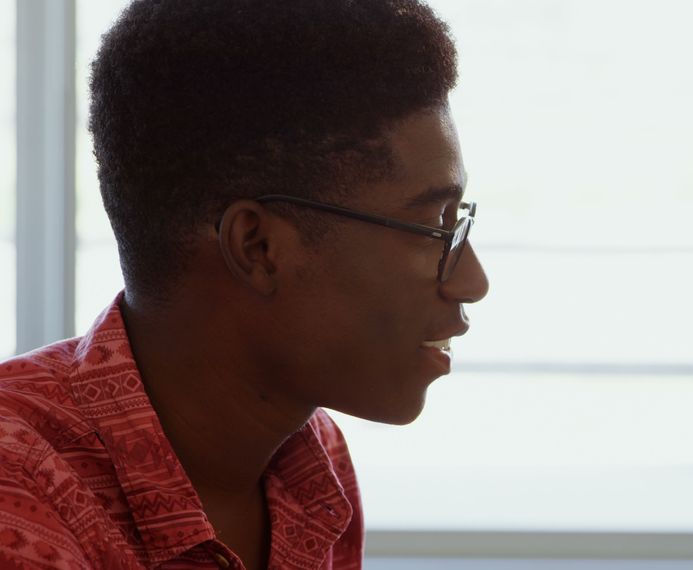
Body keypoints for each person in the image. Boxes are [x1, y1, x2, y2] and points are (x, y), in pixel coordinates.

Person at [0, 1, 489, 568]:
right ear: (258, 247)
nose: (473, 282)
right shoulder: (17, 496)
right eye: (434, 228)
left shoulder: (312, 465)